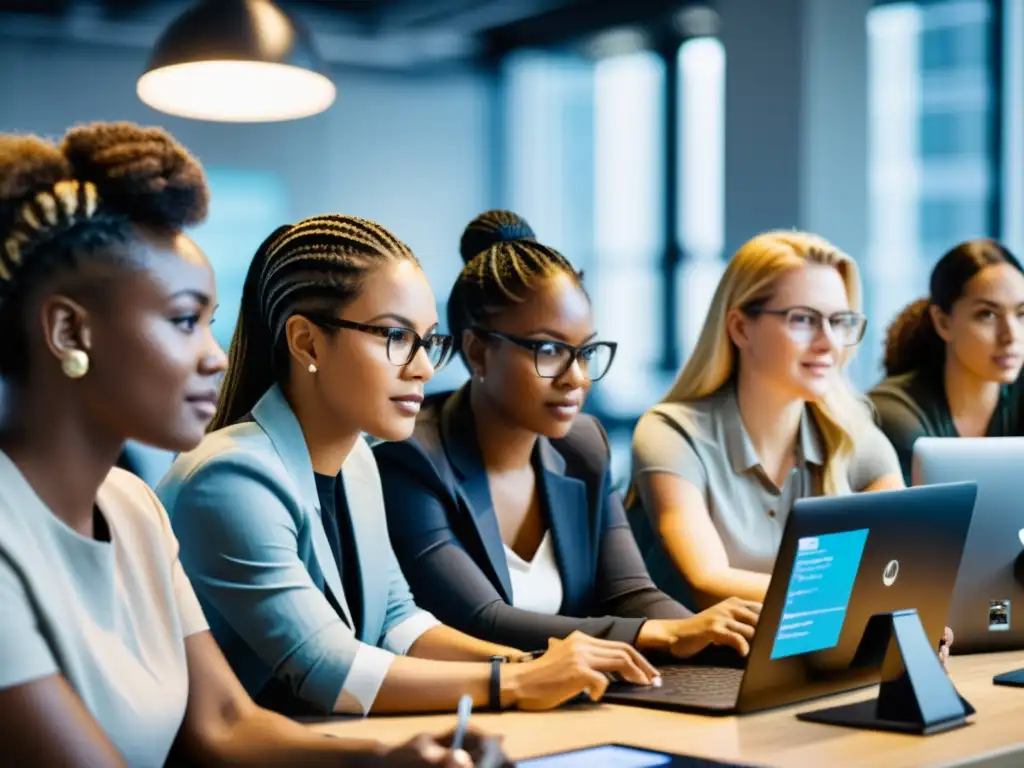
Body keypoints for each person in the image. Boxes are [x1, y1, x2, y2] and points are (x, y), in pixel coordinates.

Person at [0, 123, 485, 767]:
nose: (215, 358)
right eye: (182, 320)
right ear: (68, 331)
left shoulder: (135, 507)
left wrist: (389, 761)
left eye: (210, 322)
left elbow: (226, 724)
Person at [156, 212, 658, 721]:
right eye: (396, 337)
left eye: (428, 340)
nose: (422, 367)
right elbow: (329, 670)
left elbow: (400, 623)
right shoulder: (229, 479)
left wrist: (536, 663)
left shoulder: (355, 460)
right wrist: (521, 680)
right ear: (307, 342)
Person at [373, 210, 760, 661]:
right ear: (477, 351)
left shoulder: (582, 445)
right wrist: (662, 635)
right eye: (551, 350)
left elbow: (631, 595)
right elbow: (480, 618)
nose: (576, 377)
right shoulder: (410, 456)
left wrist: (715, 634)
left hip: (580, 697)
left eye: (586, 351)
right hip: (472, 707)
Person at [628, 231, 905, 611]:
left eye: (839, 322)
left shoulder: (854, 435)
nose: (829, 343)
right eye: (804, 319)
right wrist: (865, 596)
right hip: (690, 667)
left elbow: (904, 571)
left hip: (811, 660)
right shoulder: (672, 434)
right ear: (741, 327)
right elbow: (708, 583)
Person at [870, 239, 1024, 483]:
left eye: (1021, 314)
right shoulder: (893, 415)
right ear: (943, 322)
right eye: (987, 314)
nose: (1011, 336)